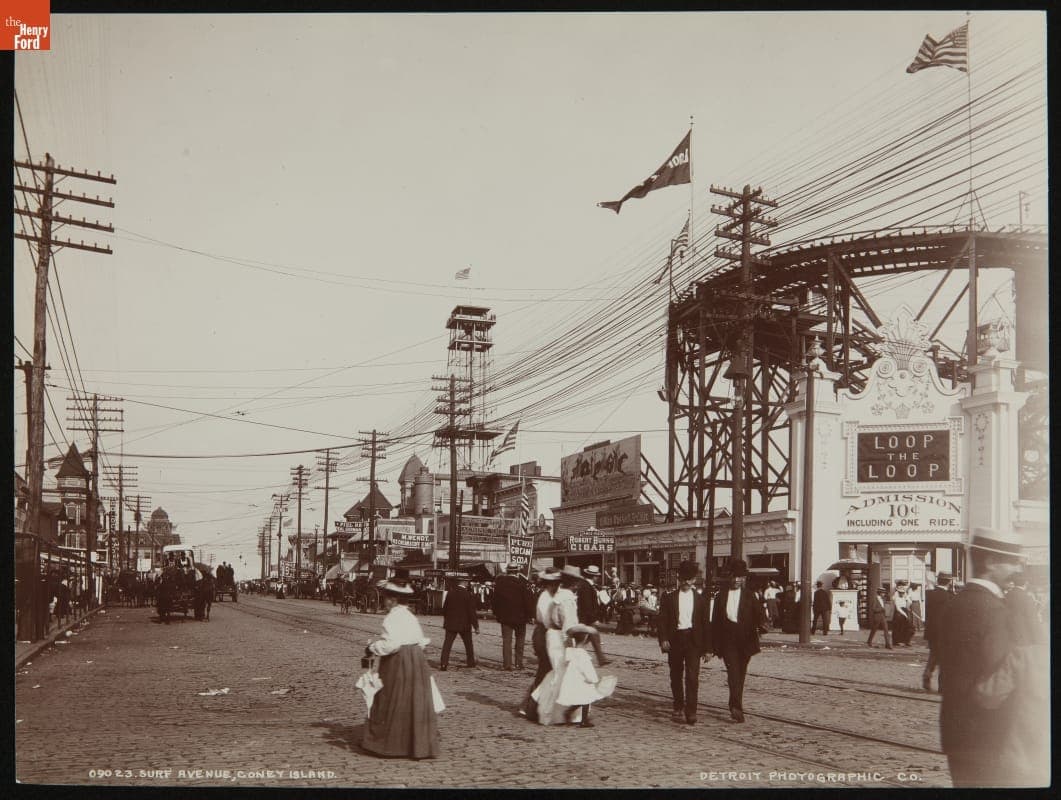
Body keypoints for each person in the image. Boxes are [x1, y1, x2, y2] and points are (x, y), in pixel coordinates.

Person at [938, 529, 1046, 787]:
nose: (1015, 569)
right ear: (991, 563)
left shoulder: (955, 602)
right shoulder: (994, 610)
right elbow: (996, 680)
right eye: (1010, 562)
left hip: (956, 727)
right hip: (988, 735)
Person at [361, 579, 440, 759]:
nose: (384, 602)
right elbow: (421, 641)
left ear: (393, 600)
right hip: (416, 660)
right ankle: (415, 744)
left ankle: (391, 744)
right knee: (414, 700)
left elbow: (392, 645)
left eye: (386, 598)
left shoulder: (392, 617)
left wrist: (372, 647)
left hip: (398, 661)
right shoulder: (410, 615)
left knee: (392, 699)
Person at [657, 561, 713, 725]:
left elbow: (705, 625)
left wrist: (708, 648)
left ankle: (691, 711)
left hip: (693, 641)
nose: (686, 583)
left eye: (690, 579)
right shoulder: (669, 597)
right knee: (675, 675)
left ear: (694, 580)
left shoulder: (701, 600)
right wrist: (663, 639)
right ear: (678, 579)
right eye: (683, 579)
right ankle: (678, 706)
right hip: (675, 640)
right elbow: (662, 621)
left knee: (692, 677)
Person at [711, 559, 764, 723]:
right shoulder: (721, 596)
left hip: (746, 639)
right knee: (733, 671)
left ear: (744, 579)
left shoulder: (750, 596)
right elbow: (715, 621)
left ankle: (734, 702)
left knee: (741, 673)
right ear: (730, 577)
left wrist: (761, 627)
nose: (736, 580)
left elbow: (760, 615)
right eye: (734, 577)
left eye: (740, 577)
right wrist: (713, 644)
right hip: (728, 639)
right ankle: (736, 707)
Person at [532, 626, 616, 727]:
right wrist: (593, 679)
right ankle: (582, 720)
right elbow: (587, 669)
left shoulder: (570, 652)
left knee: (580, 700)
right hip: (583, 681)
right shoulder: (582, 655)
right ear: (586, 640)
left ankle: (569, 712)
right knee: (587, 699)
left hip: (572, 680)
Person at [520, 567, 563, 720]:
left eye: (557, 582)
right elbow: (547, 620)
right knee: (545, 669)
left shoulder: (554, 595)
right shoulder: (545, 597)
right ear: (547, 583)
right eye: (553, 583)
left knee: (546, 670)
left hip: (551, 635)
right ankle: (530, 706)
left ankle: (534, 705)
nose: (556, 585)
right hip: (544, 634)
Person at [492, 564, 533, 671]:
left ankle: (507, 664)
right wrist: (530, 615)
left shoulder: (500, 583)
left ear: (507, 571)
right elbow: (528, 601)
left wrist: (497, 614)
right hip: (520, 617)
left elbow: (495, 601)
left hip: (505, 617)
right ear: (517, 571)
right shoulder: (523, 583)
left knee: (507, 641)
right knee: (520, 640)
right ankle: (519, 663)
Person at [568, 565, 610, 665]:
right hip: (585, 618)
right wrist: (593, 619)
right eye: (597, 576)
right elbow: (587, 604)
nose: (598, 578)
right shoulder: (586, 586)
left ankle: (601, 658)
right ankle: (598, 658)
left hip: (585, 617)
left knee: (592, 636)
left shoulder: (585, 584)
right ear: (593, 576)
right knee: (585, 638)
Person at [923, 573, 953, 691]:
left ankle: (927, 674)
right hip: (944, 632)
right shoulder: (948, 596)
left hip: (931, 632)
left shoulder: (929, 594)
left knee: (934, 655)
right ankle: (942, 686)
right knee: (944, 658)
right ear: (949, 582)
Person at [439, 578, 478, 671]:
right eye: (467, 582)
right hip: (465, 624)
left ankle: (444, 664)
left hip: (451, 624)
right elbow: (471, 612)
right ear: (464, 583)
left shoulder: (450, 593)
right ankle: (471, 662)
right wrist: (476, 626)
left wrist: (448, 619)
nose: (468, 584)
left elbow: (444, 609)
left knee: (447, 644)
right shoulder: (468, 595)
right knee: (468, 644)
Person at [891, 581, 913, 646]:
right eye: (901, 585)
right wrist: (905, 614)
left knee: (906, 627)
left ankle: (906, 641)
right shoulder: (896, 594)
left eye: (903, 585)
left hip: (904, 611)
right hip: (899, 612)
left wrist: (908, 604)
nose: (902, 593)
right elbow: (897, 606)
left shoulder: (904, 593)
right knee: (898, 627)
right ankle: (896, 641)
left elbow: (909, 601)